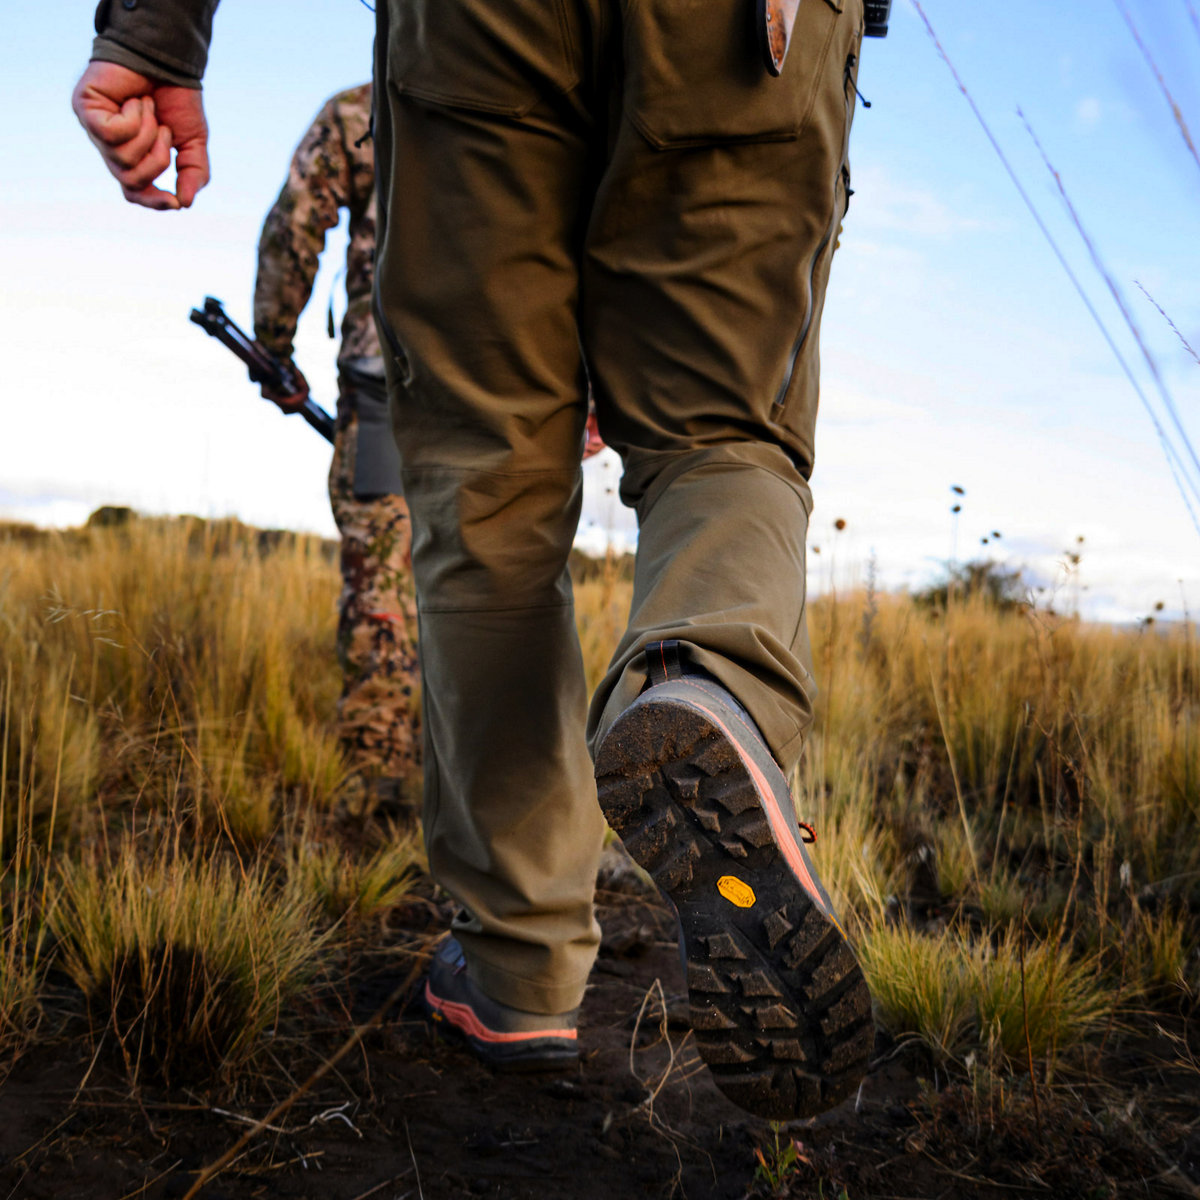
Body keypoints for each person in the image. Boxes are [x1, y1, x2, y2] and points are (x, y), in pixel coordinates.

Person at [73, 0, 875, 1120]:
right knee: (722, 436)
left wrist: (155, 33)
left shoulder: (334, 128)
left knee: (489, 501)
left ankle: (519, 969)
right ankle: (709, 687)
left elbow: (288, 237)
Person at [253, 82, 421, 825]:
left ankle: (381, 790)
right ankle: (505, 803)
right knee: (505, 585)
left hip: (386, 384)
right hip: (513, 390)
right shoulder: (554, 79)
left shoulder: (366, 107)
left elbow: (296, 225)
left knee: (380, 589)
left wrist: (274, 345)